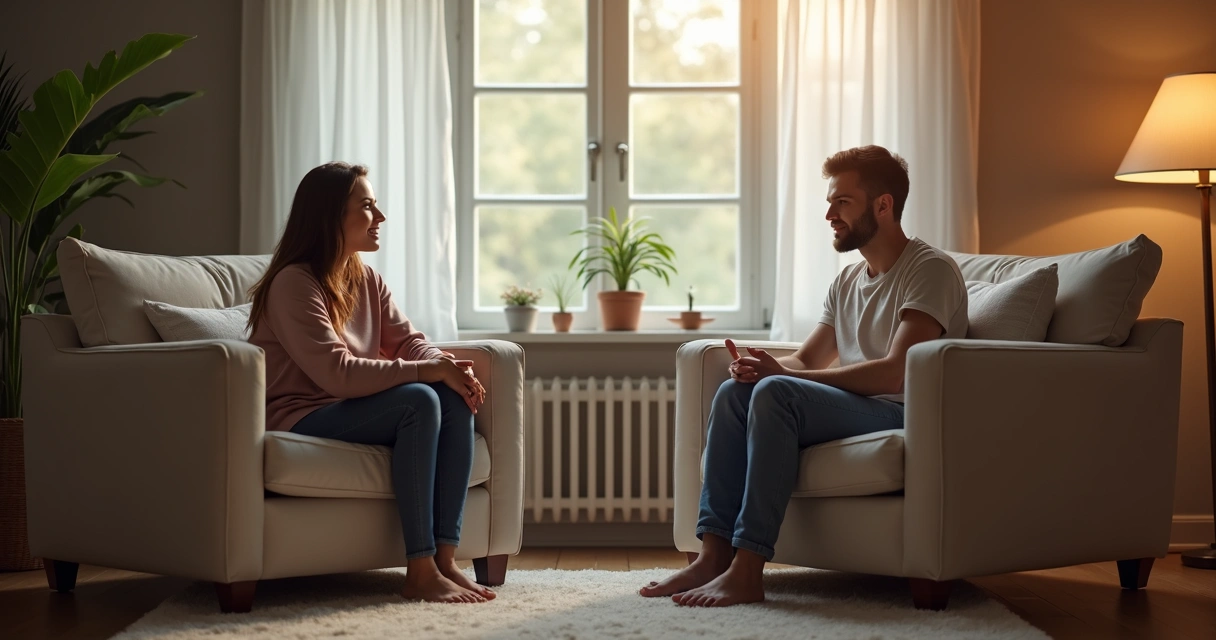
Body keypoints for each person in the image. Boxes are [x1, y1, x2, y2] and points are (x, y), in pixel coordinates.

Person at [640, 145, 968, 607]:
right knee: (738, 392)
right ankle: (712, 555)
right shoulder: (849, 279)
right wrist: (760, 368)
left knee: (777, 393)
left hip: (904, 414)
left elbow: (897, 374)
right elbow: (808, 359)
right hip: (861, 408)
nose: (829, 213)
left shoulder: (929, 270)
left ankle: (749, 569)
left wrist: (782, 380)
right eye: (830, 201)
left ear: (883, 205)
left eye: (842, 202)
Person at [247, 162, 494, 604]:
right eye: (367, 206)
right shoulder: (293, 284)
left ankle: (444, 560)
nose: (379, 217)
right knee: (419, 400)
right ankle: (418, 571)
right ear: (330, 217)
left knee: (450, 398)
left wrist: (445, 366)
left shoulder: (365, 278)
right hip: (299, 415)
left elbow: (410, 342)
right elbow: (336, 373)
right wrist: (428, 372)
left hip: (348, 408)